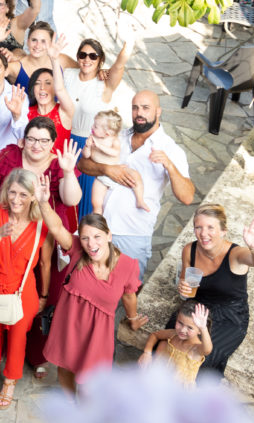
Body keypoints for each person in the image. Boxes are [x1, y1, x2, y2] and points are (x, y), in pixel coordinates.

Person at [0, 168, 73, 409]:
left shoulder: (41, 223)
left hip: (22, 290)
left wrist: (43, 296)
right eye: (12, 192)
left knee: (19, 337)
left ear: (33, 196)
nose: (16, 199)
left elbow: (44, 262)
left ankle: (10, 380)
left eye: (23, 194)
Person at [76, 90, 194, 278]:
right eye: (135, 108)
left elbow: (187, 196)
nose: (139, 113)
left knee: (129, 289)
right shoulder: (118, 136)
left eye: (146, 108)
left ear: (158, 111)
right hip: (99, 230)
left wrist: (169, 165)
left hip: (132, 233)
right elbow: (82, 164)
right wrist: (107, 169)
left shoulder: (170, 148)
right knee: (95, 285)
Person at [42, 213, 144, 393]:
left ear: (109, 236)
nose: (91, 244)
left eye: (97, 236)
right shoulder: (76, 250)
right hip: (69, 323)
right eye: (85, 238)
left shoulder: (128, 266)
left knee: (92, 381)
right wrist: (43, 202)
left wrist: (133, 318)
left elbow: (129, 296)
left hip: (98, 334)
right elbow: (56, 227)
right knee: (65, 366)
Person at [169, 205, 254, 374]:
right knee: (167, 346)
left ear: (223, 231)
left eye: (210, 227)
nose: (203, 234)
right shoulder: (189, 250)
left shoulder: (235, 254)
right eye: (198, 227)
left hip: (230, 314)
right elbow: (186, 283)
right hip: (197, 307)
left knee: (200, 360)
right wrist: (183, 287)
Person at [63, 35, 135, 218]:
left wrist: (129, 42)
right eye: (83, 55)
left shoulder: (105, 83)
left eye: (93, 56)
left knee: (86, 203)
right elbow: (51, 57)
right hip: (65, 143)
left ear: (100, 60)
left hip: (90, 147)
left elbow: (119, 65)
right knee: (64, 196)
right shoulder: (69, 74)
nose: (87, 59)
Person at [85, 109, 148, 212]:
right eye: (93, 124)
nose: (92, 127)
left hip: (118, 168)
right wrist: (87, 147)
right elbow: (86, 156)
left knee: (135, 175)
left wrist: (99, 146)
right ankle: (98, 215)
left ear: (106, 134)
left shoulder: (113, 140)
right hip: (101, 175)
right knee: (96, 202)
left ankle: (140, 199)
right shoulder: (92, 138)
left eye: (95, 126)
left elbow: (115, 152)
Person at [140, 301, 213, 386]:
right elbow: (155, 335)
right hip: (158, 380)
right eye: (180, 323)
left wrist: (203, 328)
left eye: (190, 328)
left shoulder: (195, 348)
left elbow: (207, 350)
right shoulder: (173, 334)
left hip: (177, 391)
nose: (182, 330)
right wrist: (147, 353)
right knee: (163, 344)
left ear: (199, 331)